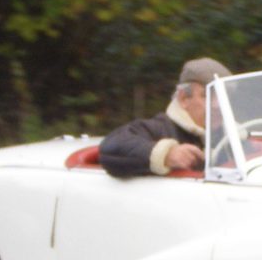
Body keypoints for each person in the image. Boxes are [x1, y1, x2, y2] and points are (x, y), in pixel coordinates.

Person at [99, 57, 232, 177]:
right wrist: (166, 154)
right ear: (184, 98)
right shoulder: (159, 128)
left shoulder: (232, 138)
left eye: (224, 96)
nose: (218, 105)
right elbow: (111, 148)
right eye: (207, 95)